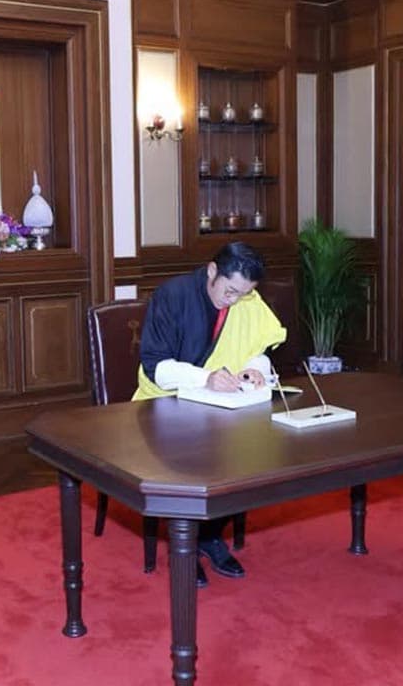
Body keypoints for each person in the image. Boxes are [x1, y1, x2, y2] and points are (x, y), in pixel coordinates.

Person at [133, 241, 287, 587]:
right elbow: (155, 367)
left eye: (243, 294)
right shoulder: (172, 296)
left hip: (222, 405)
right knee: (189, 458)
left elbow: (258, 345)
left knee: (250, 452)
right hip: (163, 404)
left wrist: (254, 368)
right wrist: (206, 378)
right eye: (230, 291)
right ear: (212, 271)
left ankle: (211, 535)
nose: (234, 300)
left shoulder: (246, 297)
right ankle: (184, 546)